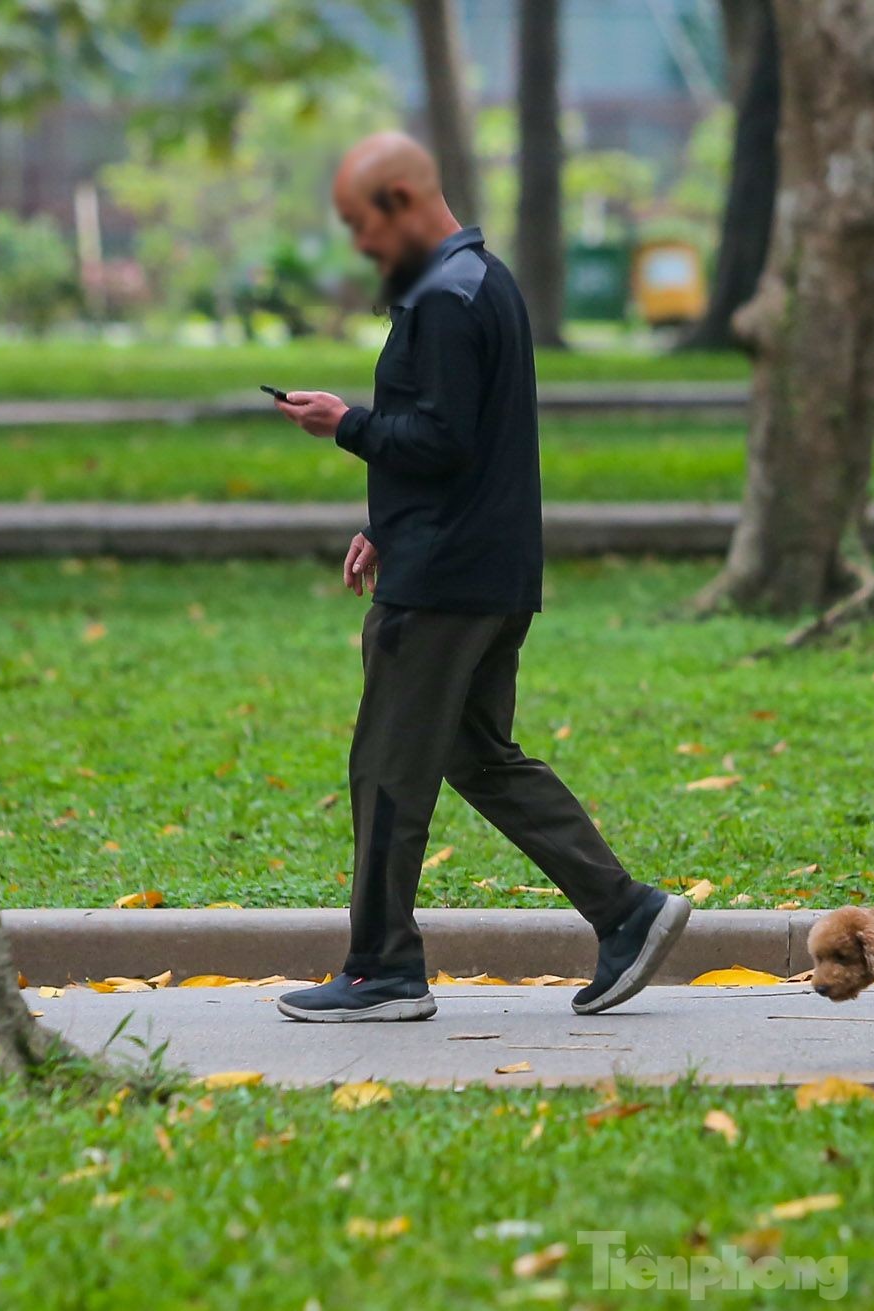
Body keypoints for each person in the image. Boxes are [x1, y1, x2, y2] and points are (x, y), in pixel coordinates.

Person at [270, 132, 690, 1021]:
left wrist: (347, 424)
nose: (362, 246)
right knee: (477, 754)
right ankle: (629, 912)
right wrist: (385, 524)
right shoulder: (483, 280)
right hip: (486, 572)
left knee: (386, 768)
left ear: (399, 202)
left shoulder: (445, 296)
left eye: (362, 225)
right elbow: (461, 442)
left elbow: (443, 440)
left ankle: (381, 968)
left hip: (441, 590)